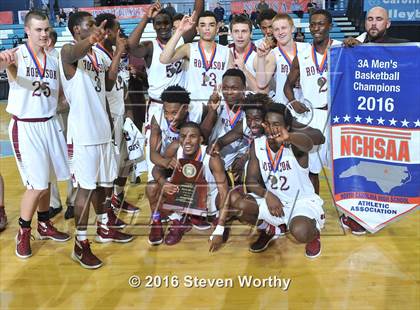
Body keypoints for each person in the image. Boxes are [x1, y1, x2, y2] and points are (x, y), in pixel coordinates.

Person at [60, 11, 133, 269]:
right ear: (75, 30)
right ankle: (80, 244)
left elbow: (110, 84)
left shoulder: (98, 55)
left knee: (104, 185)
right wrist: (91, 40)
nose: (94, 28)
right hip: (82, 135)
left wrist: (115, 54)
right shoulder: (69, 52)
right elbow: (71, 54)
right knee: (85, 189)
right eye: (88, 25)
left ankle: (104, 227)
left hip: (103, 130)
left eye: (94, 25)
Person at [209, 104, 325, 258]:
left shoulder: (295, 145)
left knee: (300, 231)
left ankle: (313, 234)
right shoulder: (257, 145)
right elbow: (251, 180)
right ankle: (270, 228)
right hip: (274, 201)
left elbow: (309, 143)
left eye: (277, 125)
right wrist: (268, 195)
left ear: (287, 127)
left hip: (301, 203)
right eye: (268, 124)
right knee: (240, 203)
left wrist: (289, 137)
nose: (272, 129)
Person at [1, 11, 71, 259]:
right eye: (38, 30)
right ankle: (23, 231)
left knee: (48, 181)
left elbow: (59, 96)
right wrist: (4, 60)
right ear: (27, 31)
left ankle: (44, 224)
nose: (44, 34)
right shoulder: (17, 55)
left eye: (46, 29)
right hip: (26, 126)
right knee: (36, 185)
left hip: (50, 124)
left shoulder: (52, 60)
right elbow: (4, 64)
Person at [127, 1, 203, 182]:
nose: (162, 27)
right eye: (158, 23)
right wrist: (146, 17)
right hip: (158, 108)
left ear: (172, 24)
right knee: (156, 158)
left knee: (184, 155)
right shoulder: (150, 47)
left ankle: (183, 196)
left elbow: (197, 13)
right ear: (153, 26)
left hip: (181, 109)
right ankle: (157, 188)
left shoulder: (181, 41)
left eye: (166, 23)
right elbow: (130, 46)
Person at [284, 9, 341, 195]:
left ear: (330, 26)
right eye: (313, 24)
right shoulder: (302, 55)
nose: (316, 28)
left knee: (340, 166)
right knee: (312, 168)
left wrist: (355, 44)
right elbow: (287, 86)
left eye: (321, 24)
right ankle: (315, 208)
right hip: (312, 115)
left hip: (336, 115)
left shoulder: (341, 49)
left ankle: (347, 212)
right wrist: (293, 101)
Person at [147, 86, 208, 245]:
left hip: (189, 161)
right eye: (166, 111)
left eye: (174, 113)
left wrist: (213, 112)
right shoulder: (157, 117)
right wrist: (166, 162)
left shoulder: (198, 111)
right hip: (165, 160)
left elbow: (205, 139)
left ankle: (183, 217)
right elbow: (153, 154)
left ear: (185, 108)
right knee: (152, 187)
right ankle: (156, 221)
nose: (169, 116)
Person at [152, 122, 229, 245]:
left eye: (192, 136)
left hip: (208, 199)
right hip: (184, 195)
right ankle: (177, 222)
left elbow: (224, 191)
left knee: (225, 194)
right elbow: (156, 169)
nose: (187, 141)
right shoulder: (175, 148)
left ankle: (213, 218)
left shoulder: (211, 157)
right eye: (183, 136)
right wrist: (163, 183)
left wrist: (220, 227)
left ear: (201, 139)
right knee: (152, 187)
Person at [94, 13, 140, 220]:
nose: (120, 32)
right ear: (108, 32)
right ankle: (106, 213)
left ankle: (117, 198)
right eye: (118, 29)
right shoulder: (97, 54)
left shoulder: (114, 52)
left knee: (128, 159)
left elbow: (122, 85)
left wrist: (129, 113)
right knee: (110, 167)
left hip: (121, 112)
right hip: (108, 117)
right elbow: (107, 84)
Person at [160, 11, 231, 112]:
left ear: (217, 29)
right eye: (203, 25)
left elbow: (230, 81)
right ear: (197, 29)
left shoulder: (226, 51)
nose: (207, 28)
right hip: (194, 107)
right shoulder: (189, 48)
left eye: (211, 25)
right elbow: (164, 59)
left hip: (219, 106)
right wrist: (180, 31)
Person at [200, 69, 248, 183]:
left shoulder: (252, 103)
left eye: (234, 88)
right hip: (217, 153)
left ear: (244, 89)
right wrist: (211, 111)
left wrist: (245, 157)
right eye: (225, 88)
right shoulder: (218, 101)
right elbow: (203, 136)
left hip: (243, 153)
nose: (229, 92)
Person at [256, 13, 310, 105]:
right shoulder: (273, 54)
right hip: (283, 107)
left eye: (284, 28)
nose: (280, 32)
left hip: (307, 104)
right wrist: (260, 58)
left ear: (292, 28)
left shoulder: (307, 48)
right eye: (276, 29)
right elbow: (261, 84)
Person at [344, 6, 409, 46]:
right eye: (370, 19)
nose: (373, 23)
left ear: (388, 24)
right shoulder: (354, 45)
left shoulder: (402, 46)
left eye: (379, 19)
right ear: (365, 23)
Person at [228, 15, 259, 91]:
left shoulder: (259, 55)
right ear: (231, 34)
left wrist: (244, 69)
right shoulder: (224, 52)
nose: (240, 36)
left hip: (252, 101)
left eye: (244, 31)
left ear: (251, 34)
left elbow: (261, 91)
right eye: (236, 31)